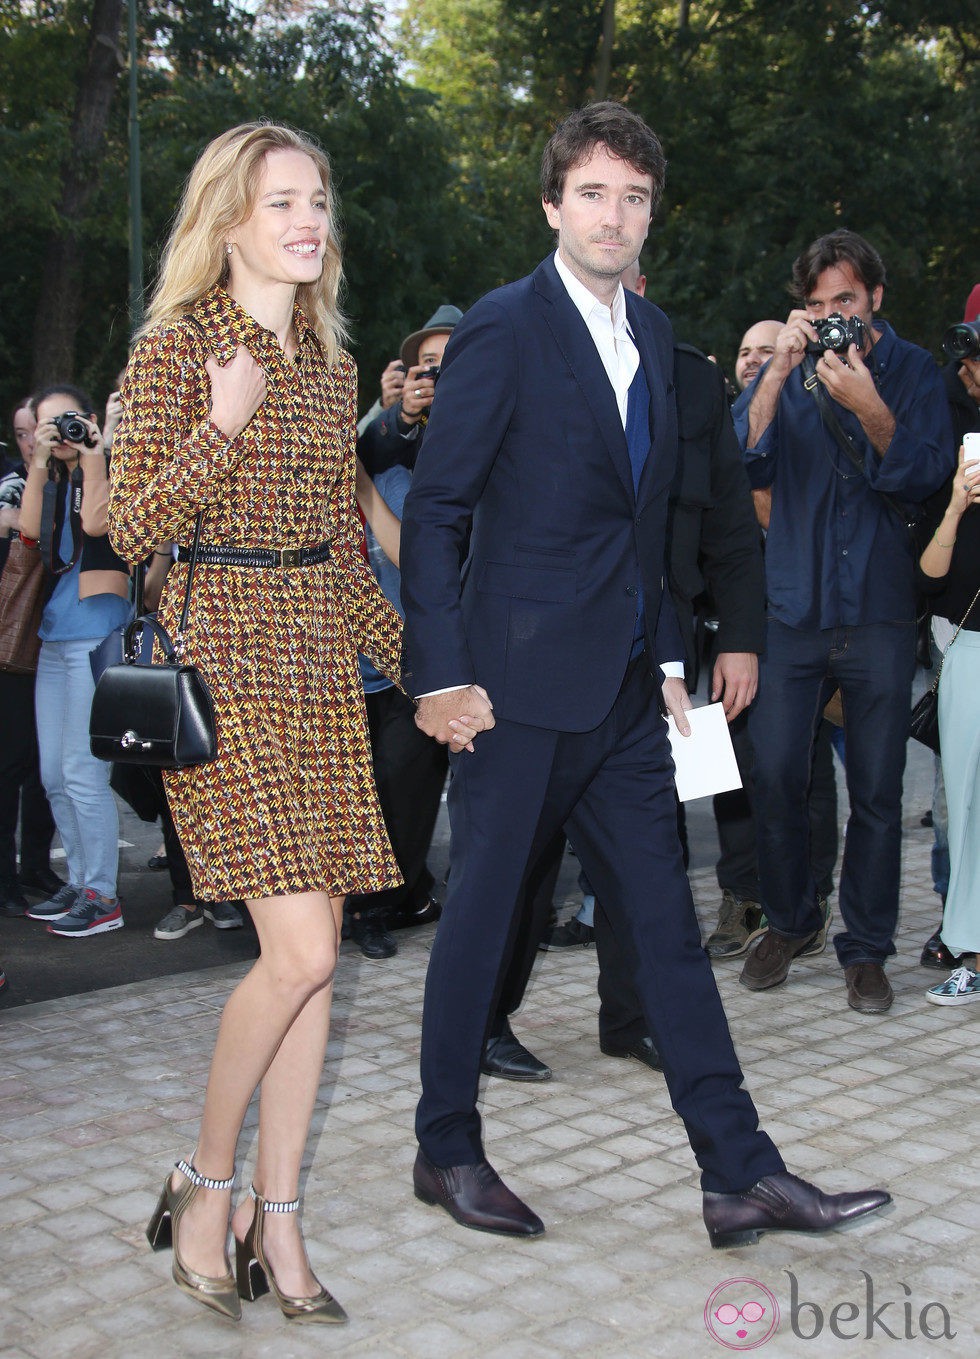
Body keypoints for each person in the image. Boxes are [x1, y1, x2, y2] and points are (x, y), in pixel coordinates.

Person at [399, 101, 890, 1246]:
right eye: (592, 194)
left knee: (667, 931)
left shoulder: (657, 338)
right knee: (476, 921)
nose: (613, 216)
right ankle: (445, 1147)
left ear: (648, 214)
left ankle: (738, 1174)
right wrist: (439, 674)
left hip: (629, 693)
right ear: (551, 206)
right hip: (511, 695)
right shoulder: (502, 328)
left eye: (632, 198)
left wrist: (669, 655)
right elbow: (436, 511)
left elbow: (651, 524)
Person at [109, 122, 415, 1325]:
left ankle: (277, 1223)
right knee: (298, 955)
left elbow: (341, 558)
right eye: (281, 200)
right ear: (227, 220)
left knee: (317, 967)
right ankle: (206, 1183)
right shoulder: (179, 350)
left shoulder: (336, 370)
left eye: (317, 200)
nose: (307, 220)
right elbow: (130, 527)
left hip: (318, 677)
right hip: (221, 668)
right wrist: (218, 421)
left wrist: (425, 677)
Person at [734, 229, 953, 1013]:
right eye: (820, 305)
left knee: (878, 792)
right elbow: (741, 458)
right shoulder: (787, 373)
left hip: (881, 612)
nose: (834, 319)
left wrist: (870, 407)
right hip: (793, 609)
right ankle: (792, 920)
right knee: (775, 773)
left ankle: (866, 947)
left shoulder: (914, 370)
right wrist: (776, 372)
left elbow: (927, 475)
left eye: (847, 303)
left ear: (876, 301)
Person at [19, 385, 130, 937]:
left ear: (87, 419)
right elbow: (30, 533)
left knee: (85, 774)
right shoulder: (53, 480)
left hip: (96, 639)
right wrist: (40, 462)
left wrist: (93, 452)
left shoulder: (115, 468)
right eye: (46, 425)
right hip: (55, 639)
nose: (59, 432)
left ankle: (103, 895)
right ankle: (81, 879)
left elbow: (97, 526)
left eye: (65, 421)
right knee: (54, 775)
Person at [920, 285, 980, 970]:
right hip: (962, 629)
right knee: (955, 795)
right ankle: (955, 921)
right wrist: (959, 504)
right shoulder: (942, 403)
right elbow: (927, 568)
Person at [0, 398, 61, 920]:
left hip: (56, 637)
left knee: (49, 766)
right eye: (22, 434)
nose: (29, 442)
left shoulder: (79, 476)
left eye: (35, 431)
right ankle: (5, 879)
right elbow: (31, 532)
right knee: (12, 763)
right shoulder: (15, 485)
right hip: (16, 644)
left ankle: (37, 865)